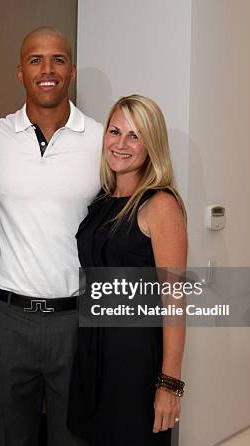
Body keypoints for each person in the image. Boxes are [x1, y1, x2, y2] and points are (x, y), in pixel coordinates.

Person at [0, 27, 103, 445]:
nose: (47, 70)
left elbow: (128, 229)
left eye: (58, 59)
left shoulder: (103, 142)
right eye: (36, 60)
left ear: (72, 70)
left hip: (78, 321)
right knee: (11, 436)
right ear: (19, 72)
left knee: (76, 436)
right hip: (8, 321)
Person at [67, 95, 187, 445]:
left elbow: (174, 301)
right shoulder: (103, 201)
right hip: (92, 349)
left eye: (134, 136)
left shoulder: (160, 204)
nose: (120, 144)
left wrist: (169, 384)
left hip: (133, 359)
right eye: (115, 131)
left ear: (152, 145)